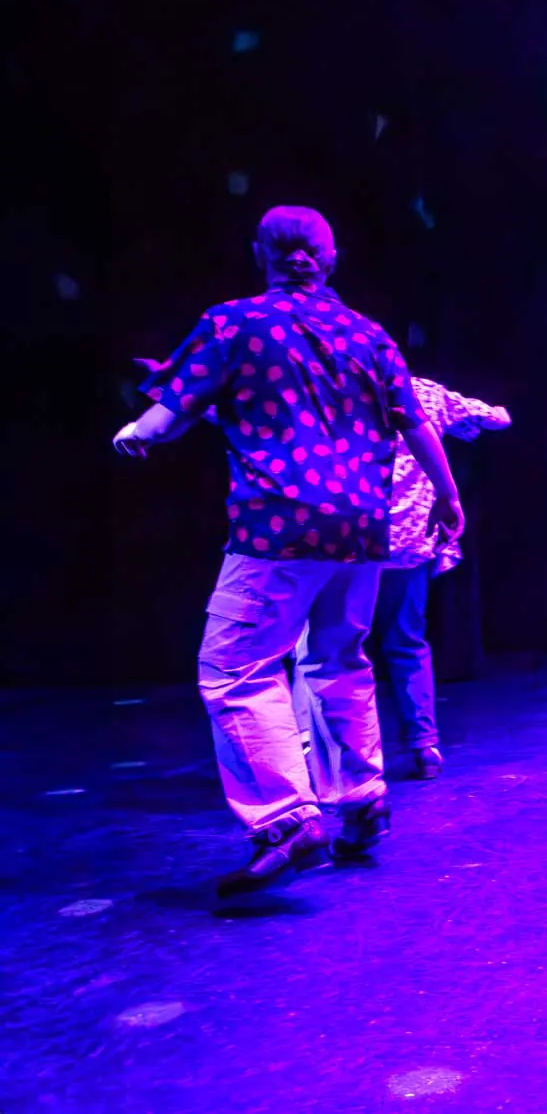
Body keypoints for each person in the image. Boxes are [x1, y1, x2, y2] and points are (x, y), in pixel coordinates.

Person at [112, 206, 463, 897]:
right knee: (337, 658)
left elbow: (175, 405)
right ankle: (363, 802)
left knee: (234, 666)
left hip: (279, 523)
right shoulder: (368, 333)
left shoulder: (233, 322)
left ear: (260, 253)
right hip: (362, 527)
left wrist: (139, 427)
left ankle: (284, 819)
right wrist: (449, 497)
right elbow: (415, 423)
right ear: (330, 258)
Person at [292, 375, 509, 781]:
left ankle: (316, 749)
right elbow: (497, 419)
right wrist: (466, 418)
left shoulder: (337, 388)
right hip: (406, 545)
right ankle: (424, 747)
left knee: (325, 646)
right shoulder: (426, 392)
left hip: (348, 539)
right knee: (405, 642)